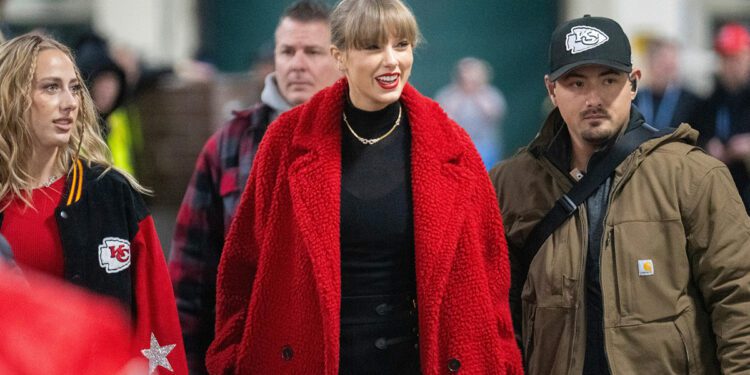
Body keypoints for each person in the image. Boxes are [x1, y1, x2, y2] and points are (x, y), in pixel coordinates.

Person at [206, 0, 523, 373]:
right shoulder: (286, 141)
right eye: (373, 47)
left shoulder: (453, 146)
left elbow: (491, 275)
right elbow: (242, 265)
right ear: (339, 56)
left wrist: (503, 362)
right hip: (313, 362)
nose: (391, 60)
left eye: (401, 45)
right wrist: (229, 360)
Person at [490, 15, 750, 374]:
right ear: (551, 90)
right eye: (576, 83)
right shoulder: (511, 184)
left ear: (633, 84)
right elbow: (494, 315)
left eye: (609, 80)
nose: (593, 98)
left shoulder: (693, 176)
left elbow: (739, 298)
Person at [167, 1, 340, 373]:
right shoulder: (230, 144)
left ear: (339, 59)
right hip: (255, 354)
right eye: (287, 51)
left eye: (312, 52)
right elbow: (191, 276)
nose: (297, 64)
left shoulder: (363, 141)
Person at [0, 33, 187, 374]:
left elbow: (158, 320)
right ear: (11, 97)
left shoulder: (112, 193)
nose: (70, 102)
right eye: (51, 87)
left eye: (74, 88)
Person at [693, 23, 750, 213]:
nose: (729, 65)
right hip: (720, 195)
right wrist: (707, 146)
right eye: (724, 58)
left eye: (735, 58)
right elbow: (694, 137)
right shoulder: (709, 102)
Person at [436, 57, 508, 167]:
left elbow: (493, 114)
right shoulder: (448, 94)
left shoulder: (491, 94)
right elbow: (443, 118)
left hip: (485, 147)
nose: (468, 77)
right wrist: (460, 93)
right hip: (456, 146)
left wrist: (477, 91)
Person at [634, 38, 701, 129]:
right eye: (663, 65)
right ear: (650, 63)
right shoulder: (634, 100)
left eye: (671, 66)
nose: (667, 72)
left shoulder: (691, 103)